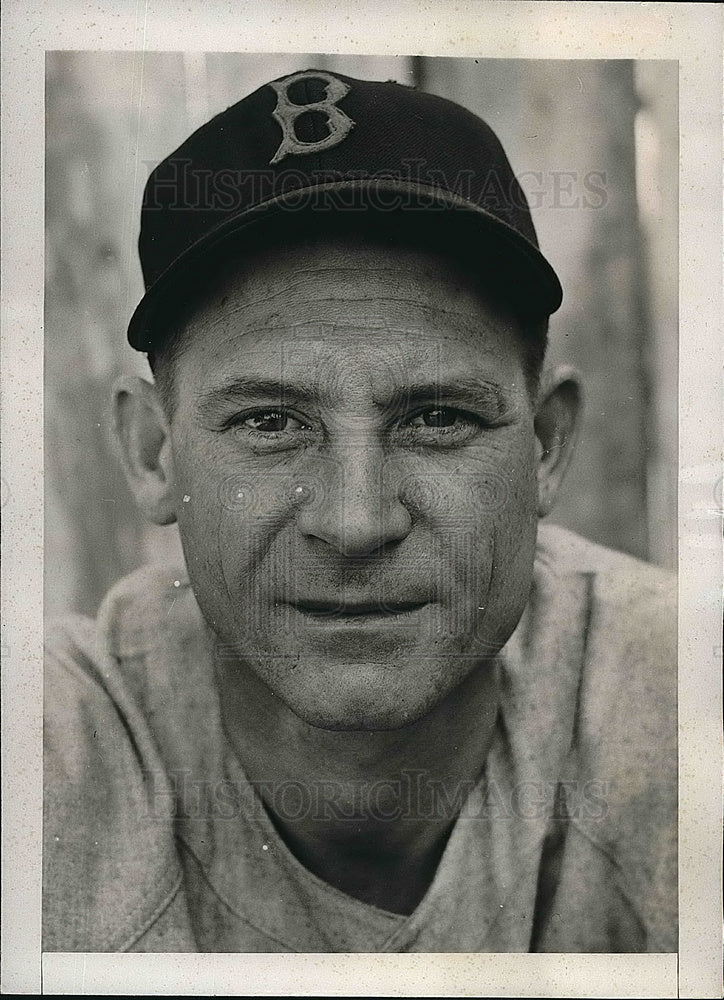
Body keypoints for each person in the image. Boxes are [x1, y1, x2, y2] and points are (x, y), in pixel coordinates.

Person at [43, 69, 677, 953]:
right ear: (153, 453)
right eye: (270, 421)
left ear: (545, 447)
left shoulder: (685, 709)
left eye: (437, 417)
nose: (354, 521)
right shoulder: (52, 756)